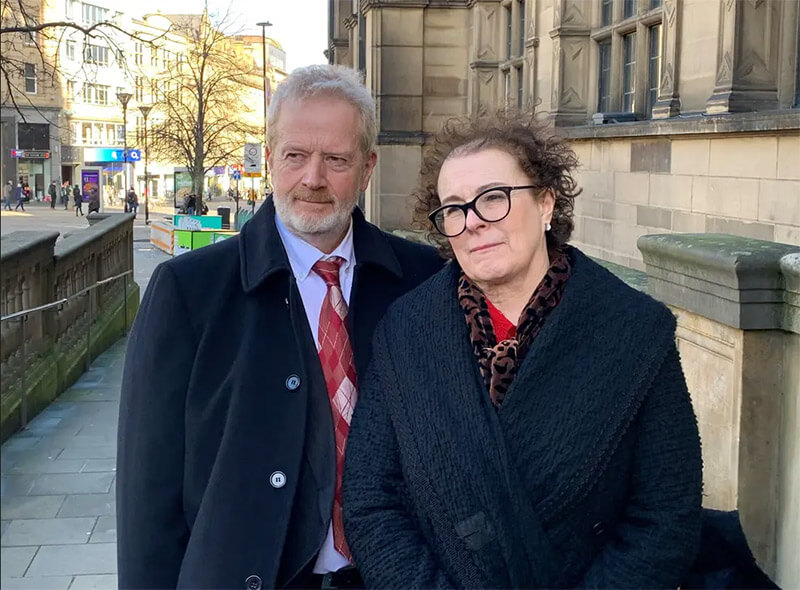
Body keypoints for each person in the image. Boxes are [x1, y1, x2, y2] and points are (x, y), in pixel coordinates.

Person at [342, 110, 704, 589]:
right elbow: (372, 498)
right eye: (454, 208)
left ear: (547, 203)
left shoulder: (633, 330)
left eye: (493, 198)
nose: (472, 223)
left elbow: (666, 512)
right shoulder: (406, 331)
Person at [116, 64, 443, 590]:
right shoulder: (189, 291)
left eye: (336, 159)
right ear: (269, 158)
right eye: (295, 155)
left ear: (367, 167)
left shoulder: (423, 282)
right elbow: (146, 493)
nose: (313, 179)